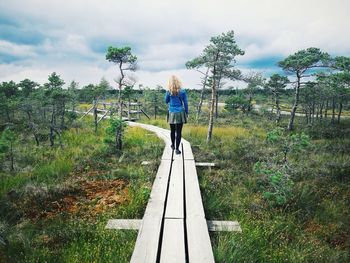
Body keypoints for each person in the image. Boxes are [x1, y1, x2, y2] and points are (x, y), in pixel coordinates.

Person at [165, 75, 188, 155]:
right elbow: (185, 103)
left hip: (171, 112)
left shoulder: (168, 91)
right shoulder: (183, 91)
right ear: (178, 82)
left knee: (172, 130)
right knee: (179, 131)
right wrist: (187, 112)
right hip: (180, 112)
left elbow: (166, 101)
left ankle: (172, 145)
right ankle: (177, 149)